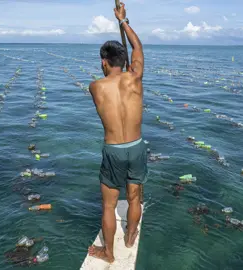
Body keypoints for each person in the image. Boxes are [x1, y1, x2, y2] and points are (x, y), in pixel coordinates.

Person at [87, 2, 146, 263]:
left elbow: (129, 55)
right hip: (136, 146)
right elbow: (138, 47)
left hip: (113, 150)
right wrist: (123, 21)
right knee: (134, 197)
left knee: (109, 205)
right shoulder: (135, 78)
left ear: (103, 62)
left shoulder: (95, 87)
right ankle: (131, 235)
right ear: (124, 61)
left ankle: (108, 252)